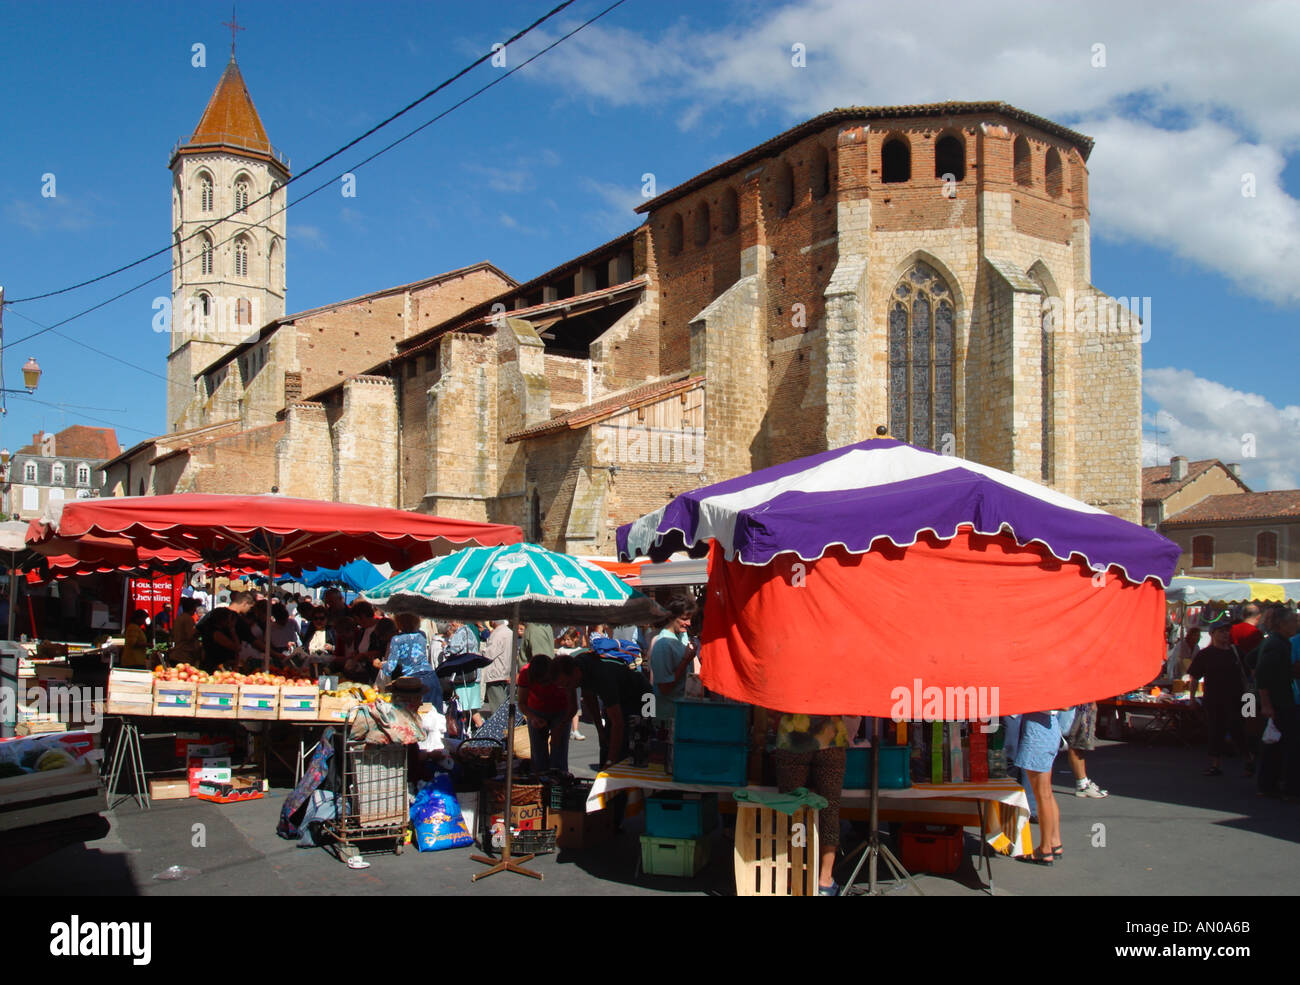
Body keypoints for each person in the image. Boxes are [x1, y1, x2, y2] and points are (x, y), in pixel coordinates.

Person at [770, 712, 848, 895]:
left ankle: (791, 876)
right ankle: (825, 881)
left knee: (792, 808)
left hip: (792, 735)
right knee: (829, 809)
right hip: (831, 736)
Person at [564, 649, 654, 769]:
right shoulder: (578, 669)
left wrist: (610, 762)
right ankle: (609, 770)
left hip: (644, 695)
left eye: (567, 684)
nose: (566, 688)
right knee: (607, 740)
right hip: (621, 695)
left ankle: (621, 774)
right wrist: (600, 730)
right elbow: (588, 702)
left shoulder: (602, 676)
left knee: (637, 741)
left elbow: (618, 723)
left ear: (575, 672)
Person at [1188, 617, 1252, 777]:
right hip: (1214, 700)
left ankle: (1249, 760)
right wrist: (1192, 698)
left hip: (1239, 699)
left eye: (1226, 631)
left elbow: (1250, 674)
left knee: (1240, 730)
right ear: (1212, 634)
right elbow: (1194, 677)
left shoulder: (1236, 652)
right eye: (1221, 631)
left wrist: (1250, 700)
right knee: (1215, 731)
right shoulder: (1205, 654)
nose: (1225, 634)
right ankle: (1216, 765)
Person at [1013, 709, 1068, 865]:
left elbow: (1064, 705)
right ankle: (1054, 841)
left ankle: (1044, 849)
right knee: (1046, 792)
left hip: (1039, 729)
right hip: (1046, 728)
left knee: (1042, 794)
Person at [1256, 605, 1300, 799]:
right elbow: (1262, 674)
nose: (1296, 624)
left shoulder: (1283, 642)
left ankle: (1269, 785)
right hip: (1279, 702)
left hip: (1284, 698)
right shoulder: (1275, 644)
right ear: (1282, 624)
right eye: (1293, 621)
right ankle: (1288, 788)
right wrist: (1266, 703)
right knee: (1289, 745)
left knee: (1276, 744)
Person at [518, 653, 578, 774]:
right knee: (538, 753)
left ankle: (558, 786)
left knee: (559, 752)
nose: (543, 685)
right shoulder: (525, 673)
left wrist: (560, 726)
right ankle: (539, 785)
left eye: (547, 681)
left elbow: (573, 706)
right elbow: (522, 703)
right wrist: (533, 717)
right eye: (539, 682)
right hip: (536, 710)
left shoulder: (561, 674)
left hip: (561, 712)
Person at [377, 611, 442, 711]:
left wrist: (378, 664)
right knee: (435, 717)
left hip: (413, 683)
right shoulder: (422, 635)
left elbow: (390, 668)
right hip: (431, 677)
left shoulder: (397, 639)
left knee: (416, 718)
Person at [648, 598, 698, 722]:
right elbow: (665, 688)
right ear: (671, 617)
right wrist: (686, 660)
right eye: (684, 619)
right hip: (668, 717)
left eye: (690, 618)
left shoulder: (681, 635)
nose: (689, 623)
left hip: (682, 712)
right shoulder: (663, 644)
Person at [444, 618, 484, 729]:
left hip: (463, 676)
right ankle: (481, 728)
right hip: (474, 673)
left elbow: (452, 651)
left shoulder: (459, 633)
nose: (450, 624)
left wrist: (445, 647)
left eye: (451, 622)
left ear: (455, 622)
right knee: (472, 708)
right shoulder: (470, 631)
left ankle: (465, 731)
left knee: (461, 706)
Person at [1063, 702, 1108, 798]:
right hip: (1080, 706)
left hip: (1083, 706)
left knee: (1078, 745)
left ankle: (1083, 783)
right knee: (1076, 744)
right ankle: (1082, 785)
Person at [480, 619, 514, 715]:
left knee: (498, 705)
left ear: (494, 621)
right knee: (502, 700)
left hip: (495, 672)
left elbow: (489, 654)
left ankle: (501, 726)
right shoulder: (509, 632)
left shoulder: (497, 633)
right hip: (505, 670)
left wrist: (482, 651)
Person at [196, 607, 241, 671]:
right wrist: (232, 630)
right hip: (215, 666)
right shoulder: (215, 633)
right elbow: (237, 647)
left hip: (214, 665)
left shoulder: (214, 630)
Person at [171, 597, 202, 666]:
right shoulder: (188, 619)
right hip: (184, 655)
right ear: (192, 608)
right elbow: (190, 636)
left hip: (177, 652)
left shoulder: (179, 618)